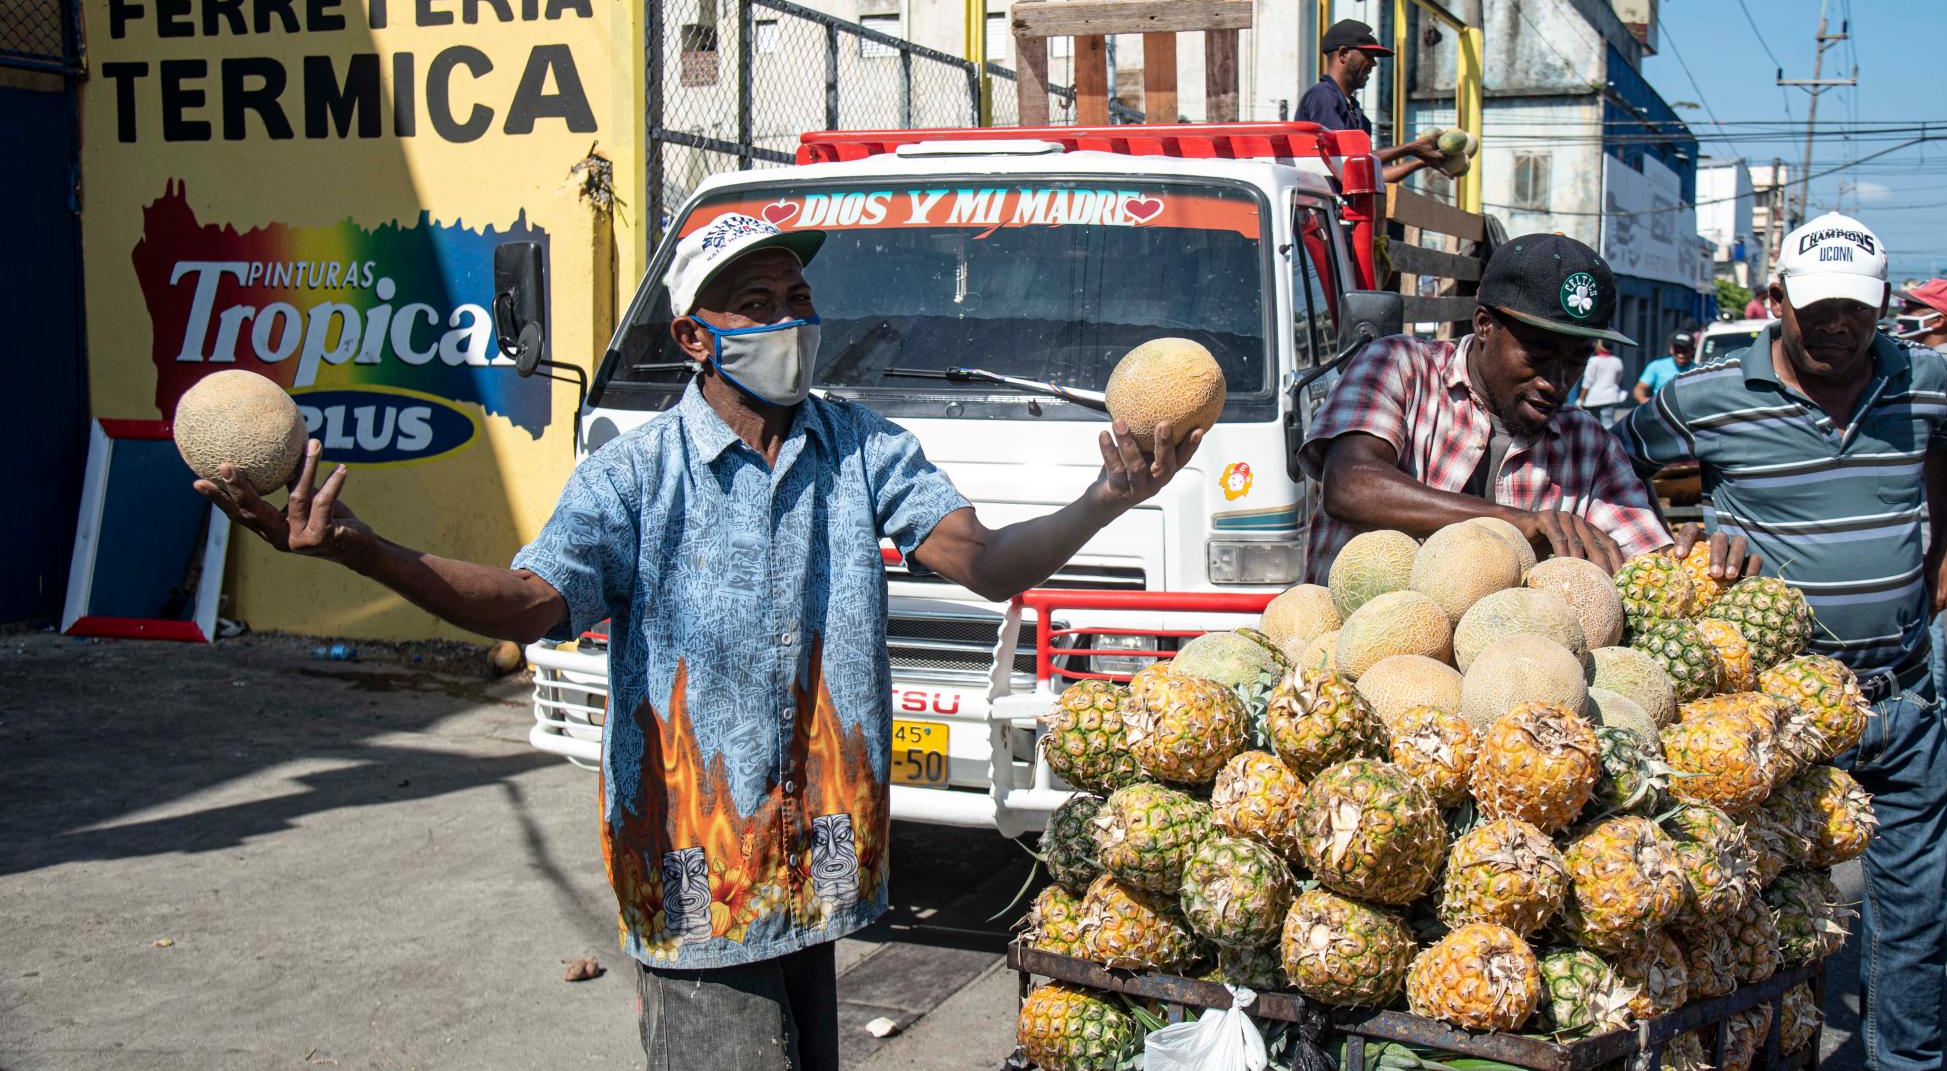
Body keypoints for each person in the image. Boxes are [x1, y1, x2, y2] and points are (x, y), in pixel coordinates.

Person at [192, 213, 1205, 1071]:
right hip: (692, 869)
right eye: (753, 305)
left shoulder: (861, 446)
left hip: (814, 865)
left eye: (795, 299)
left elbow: (984, 564)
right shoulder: (632, 476)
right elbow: (525, 605)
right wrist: (365, 552)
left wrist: (1104, 499)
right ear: (692, 336)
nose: (786, 322)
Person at [1615, 213, 1947, 1071]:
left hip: (1899, 696)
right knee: (1755, 916)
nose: (1836, 327)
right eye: (1816, 310)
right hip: (1770, 716)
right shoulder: (1704, 395)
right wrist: (1682, 543)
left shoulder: (1927, 382)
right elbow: (1620, 461)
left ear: (1882, 305)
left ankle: (1904, 1063)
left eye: (1854, 310)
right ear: (1778, 301)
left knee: (1916, 920)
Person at [1301, 232, 1755, 584]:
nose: (1555, 381)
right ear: (1484, 325)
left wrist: (1697, 567)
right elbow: (1351, 485)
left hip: (1510, 692)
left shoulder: (1589, 446)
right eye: (1537, 355)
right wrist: (1516, 522)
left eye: (1576, 359)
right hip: (1352, 672)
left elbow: (1645, 565)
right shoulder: (1401, 366)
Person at [1891, 279, 1947, 737]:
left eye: (1914, 306)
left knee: (1924, 614)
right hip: (1931, 498)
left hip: (1929, 501)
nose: (1904, 312)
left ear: (1940, 318)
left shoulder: (1942, 366)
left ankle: (1942, 707)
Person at [1295, 19, 1449, 183]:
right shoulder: (1324, 96)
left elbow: (1371, 173)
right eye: (1368, 56)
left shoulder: (1355, 111)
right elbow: (1347, 160)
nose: (1374, 63)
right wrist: (1410, 148)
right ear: (1343, 54)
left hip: (1344, 207)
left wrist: (1421, 161)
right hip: (1321, 205)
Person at [1630, 329, 1695, 402]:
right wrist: (1644, 401)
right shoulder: (1656, 366)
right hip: (1660, 410)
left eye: (1685, 350)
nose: (1681, 354)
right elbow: (1639, 388)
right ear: (1671, 349)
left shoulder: (1697, 370)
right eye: (1677, 350)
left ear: (1692, 350)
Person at [1578, 340, 1626, 426]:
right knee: (1608, 425)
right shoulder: (1617, 361)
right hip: (1610, 397)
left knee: (1592, 426)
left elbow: (1587, 382)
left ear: (1599, 346)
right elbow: (1618, 380)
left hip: (1593, 399)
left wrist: (1580, 399)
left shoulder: (1593, 361)